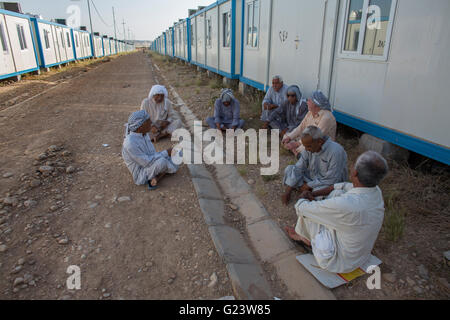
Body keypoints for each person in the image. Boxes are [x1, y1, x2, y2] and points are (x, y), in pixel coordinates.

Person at [284, 151, 389, 274]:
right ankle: (311, 228)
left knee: (309, 214)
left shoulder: (347, 205)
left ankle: (303, 238)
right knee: (336, 193)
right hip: (360, 256)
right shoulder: (375, 190)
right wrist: (313, 193)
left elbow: (301, 208)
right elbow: (342, 186)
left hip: (338, 263)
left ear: (355, 172)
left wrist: (304, 196)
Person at [282, 126, 348, 205]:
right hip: (313, 179)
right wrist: (288, 190)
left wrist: (308, 185)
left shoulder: (336, 151)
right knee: (289, 169)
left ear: (319, 142)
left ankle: (308, 192)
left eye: (308, 146)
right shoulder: (309, 147)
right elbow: (299, 168)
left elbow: (332, 179)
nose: (306, 149)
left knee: (329, 192)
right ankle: (308, 192)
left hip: (328, 184)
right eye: (305, 146)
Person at [122, 110, 179, 189]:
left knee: (177, 154)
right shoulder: (130, 143)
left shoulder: (144, 134)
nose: (151, 123)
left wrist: (168, 153)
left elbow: (152, 154)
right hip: (141, 173)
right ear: (141, 126)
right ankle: (158, 177)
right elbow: (146, 162)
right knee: (163, 161)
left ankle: (157, 176)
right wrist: (166, 153)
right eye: (148, 122)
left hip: (151, 162)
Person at [282, 90, 337, 157]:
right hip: (307, 139)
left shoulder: (327, 117)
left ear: (316, 104)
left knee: (306, 148)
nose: (307, 102)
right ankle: (297, 152)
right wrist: (289, 137)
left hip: (319, 143)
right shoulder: (310, 112)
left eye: (309, 100)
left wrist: (297, 144)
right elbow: (301, 127)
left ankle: (298, 153)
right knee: (286, 137)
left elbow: (316, 136)